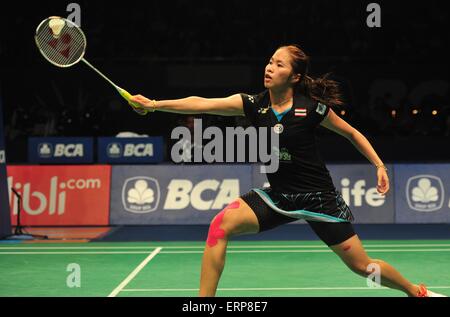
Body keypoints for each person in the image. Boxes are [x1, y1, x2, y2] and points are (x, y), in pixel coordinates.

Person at [129, 44, 445, 297]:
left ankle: (415, 292)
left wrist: (378, 165)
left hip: (319, 200)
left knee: (362, 267)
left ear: (294, 77)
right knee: (219, 227)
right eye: (270, 61)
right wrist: (155, 104)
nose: (270, 67)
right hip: (278, 197)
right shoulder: (253, 104)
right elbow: (201, 103)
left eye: (279, 64)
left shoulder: (311, 109)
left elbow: (351, 133)